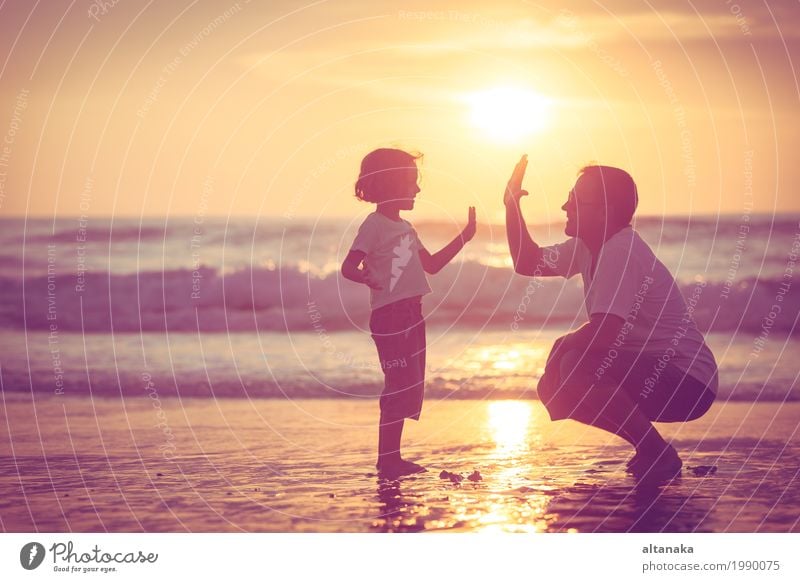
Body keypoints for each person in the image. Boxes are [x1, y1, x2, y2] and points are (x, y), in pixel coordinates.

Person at [504, 155, 718, 480]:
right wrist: (510, 206)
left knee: (576, 364)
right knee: (555, 389)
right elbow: (527, 261)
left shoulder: (620, 249)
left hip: (687, 382)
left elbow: (606, 333)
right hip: (657, 373)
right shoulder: (587, 245)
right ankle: (650, 448)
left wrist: (564, 343)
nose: (565, 206)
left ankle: (656, 451)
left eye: (576, 201)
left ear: (605, 212)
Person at [341, 148, 477, 479]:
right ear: (389, 183)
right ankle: (387, 460)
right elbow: (348, 267)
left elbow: (431, 265)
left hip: (413, 314)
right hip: (390, 317)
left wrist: (466, 235)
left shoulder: (406, 228)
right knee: (397, 386)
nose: (417, 190)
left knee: (409, 386)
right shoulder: (374, 225)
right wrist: (366, 276)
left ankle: (393, 458)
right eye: (411, 182)